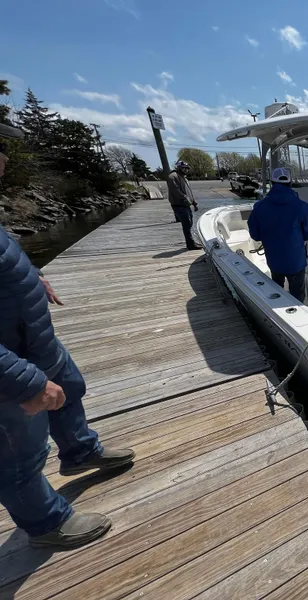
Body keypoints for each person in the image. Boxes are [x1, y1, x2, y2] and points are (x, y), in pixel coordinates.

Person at [0, 123, 135, 549]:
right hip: (12, 367)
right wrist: (28, 382)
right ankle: (46, 524)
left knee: (70, 389)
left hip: (36, 343)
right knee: (18, 458)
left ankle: (80, 451)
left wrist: (30, 275)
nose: (4, 159)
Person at [247, 168, 308, 302]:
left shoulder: (259, 207)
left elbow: (255, 234)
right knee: (297, 295)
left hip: (274, 259)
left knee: (276, 290)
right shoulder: (301, 206)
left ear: (272, 183)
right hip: (296, 261)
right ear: (290, 183)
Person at [167, 160, 201, 250]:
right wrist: (185, 199)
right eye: (184, 168)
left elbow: (188, 191)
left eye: (187, 168)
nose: (186, 170)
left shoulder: (184, 177)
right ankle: (190, 244)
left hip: (186, 205)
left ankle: (191, 241)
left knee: (189, 223)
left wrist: (194, 202)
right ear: (178, 167)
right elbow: (176, 191)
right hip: (179, 205)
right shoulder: (173, 177)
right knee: (186, 224)